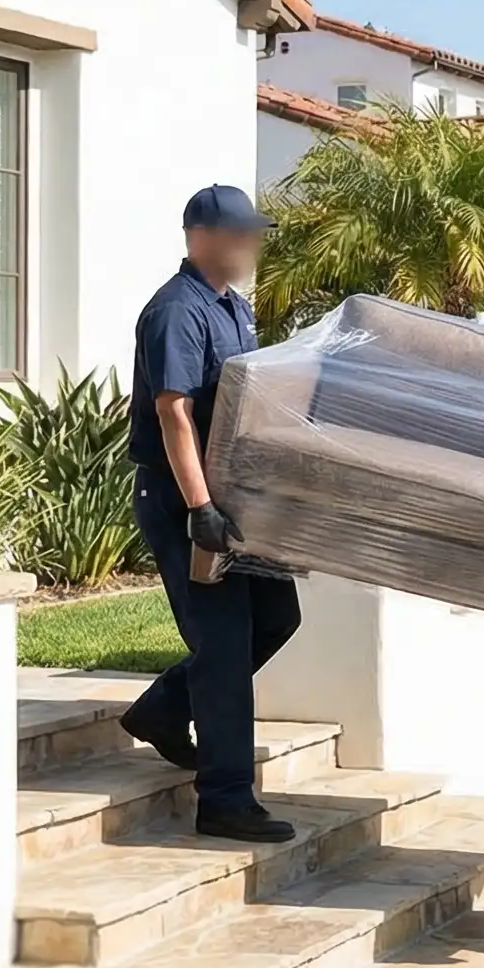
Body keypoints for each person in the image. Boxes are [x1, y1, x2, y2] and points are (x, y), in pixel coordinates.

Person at [119, 184, 302, 844]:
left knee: (278, 617)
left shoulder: (235, 307)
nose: (250, 245)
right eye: (239, 234)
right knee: (223, 646)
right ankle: (224, 799)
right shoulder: (176, 311)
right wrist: (199, 508)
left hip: (235, 498)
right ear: (201, 237)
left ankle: (164, 709)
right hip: (184, 501)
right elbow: (174, 411)